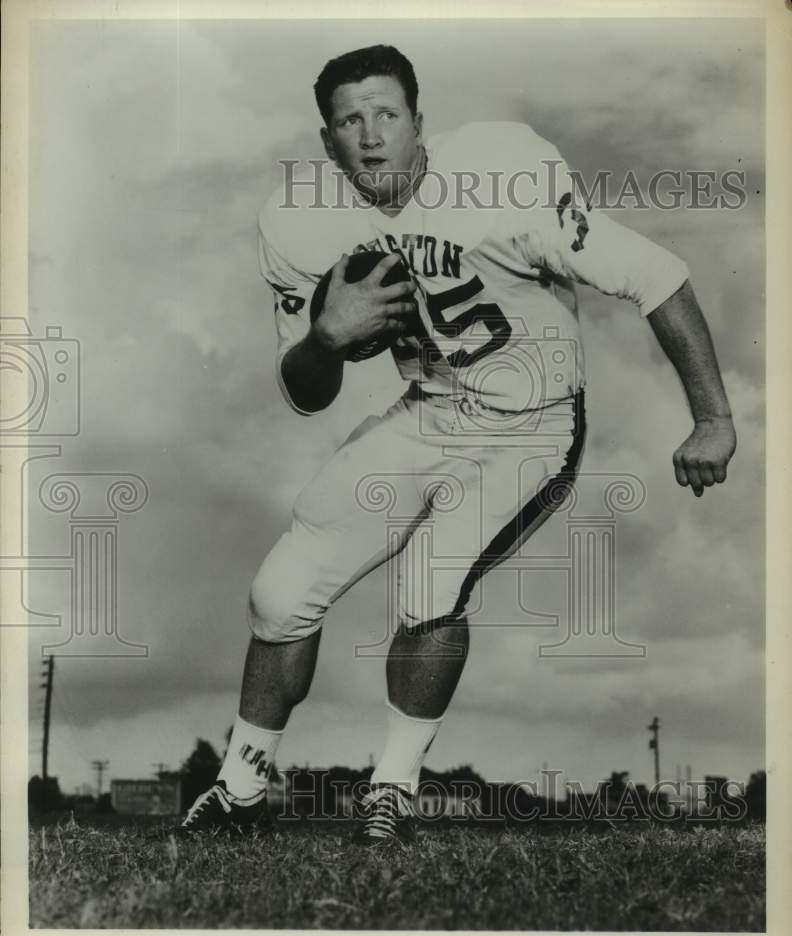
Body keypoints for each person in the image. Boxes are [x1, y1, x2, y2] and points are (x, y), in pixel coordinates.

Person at [179, 44, 736, 842]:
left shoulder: (501, 178)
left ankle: (392, 794)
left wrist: (713, 418)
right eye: (349, 121)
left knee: (432, 581)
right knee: (280, 588)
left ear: (418, 122)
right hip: (432, 410)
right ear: (327, 140)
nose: (371, 137)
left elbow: (655, 274)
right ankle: (239, 793)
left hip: (535, 422)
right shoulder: (300, 222)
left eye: (387, 115)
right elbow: (305, 391)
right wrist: (326, 339)